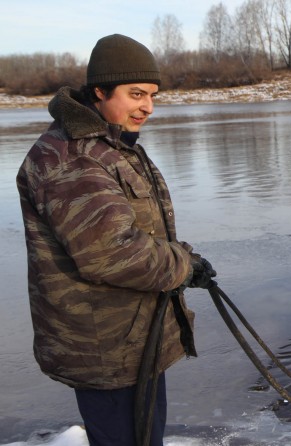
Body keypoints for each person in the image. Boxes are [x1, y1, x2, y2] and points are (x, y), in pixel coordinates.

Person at [16, 34, 216, 446]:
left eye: (153, 95)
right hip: (104, 348)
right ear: (100, 91)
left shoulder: (112, 144)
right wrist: (182, 266)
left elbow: (139, 231)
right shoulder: (72, 157)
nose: (148, 106)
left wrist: (185, 260)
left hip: (135, 339)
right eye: (136, 94)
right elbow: (111, 252)